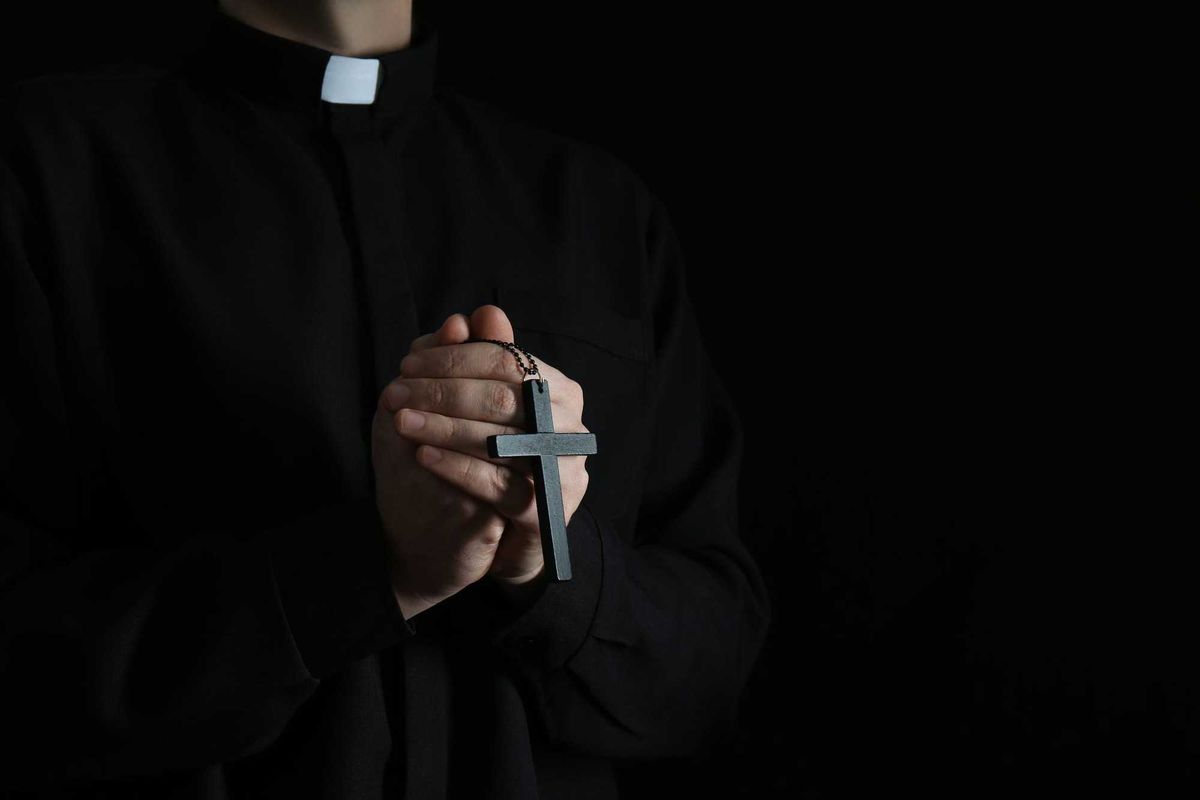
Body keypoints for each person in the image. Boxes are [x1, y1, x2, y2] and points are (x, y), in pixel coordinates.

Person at [0, 0, 770, 796]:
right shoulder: (47, 165)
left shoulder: (599, 208)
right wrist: (370, 568)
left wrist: (545, 568)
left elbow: (716, 671)